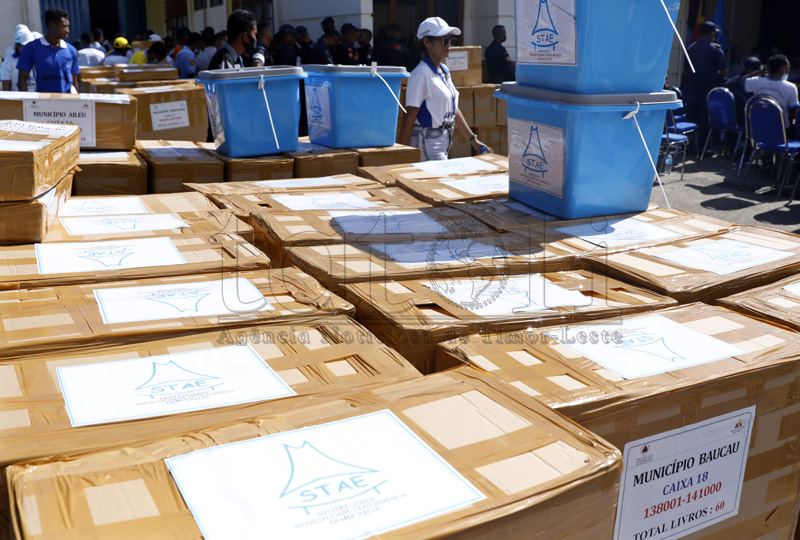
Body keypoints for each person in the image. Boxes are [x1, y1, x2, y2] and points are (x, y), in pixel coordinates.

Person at [399, 17, 491, 160]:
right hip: (426, 141)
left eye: (451, 40)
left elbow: (453, 109)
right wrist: (399, 156)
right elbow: (410, 117)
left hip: (442, 139)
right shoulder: (420, 74)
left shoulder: (444, 70)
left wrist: (474, 140)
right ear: (427, 42)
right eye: (444, 40)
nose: (449, 45)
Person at [18, 8, 80, 93]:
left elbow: (74, 81)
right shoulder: (31, 48)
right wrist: (25, 103)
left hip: (67, 102)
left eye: (68, 26)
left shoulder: (71, 50)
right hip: (42, 102)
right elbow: (22, 78)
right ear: (52, 25)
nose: (67, 30)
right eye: (64, 26)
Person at [683, 22, 727, 139]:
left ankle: (690, 145)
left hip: (692, 88)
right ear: (712, 33)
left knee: (692, 117)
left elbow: (686, 70)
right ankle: (701, 148)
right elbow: (723, 72)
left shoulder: (691, 48)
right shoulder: (715, 49)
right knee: (705, 119)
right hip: (708, 89)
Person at [739, 54, 799, 137]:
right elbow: (792, 112)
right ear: (783, 69)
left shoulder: (756, 81)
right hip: (780, 129)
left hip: (757, 126)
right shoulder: (791, 87)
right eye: (788, 67)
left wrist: (760, 72)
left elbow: (742, 81)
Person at [1, 26, 37, 91]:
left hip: (38, 99)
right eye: (24, 46)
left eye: (30, 45)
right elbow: (6, 88)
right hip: (19, 100)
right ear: (16, 45)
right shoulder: (8, 62)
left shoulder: (37, 58)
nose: (28, 48)